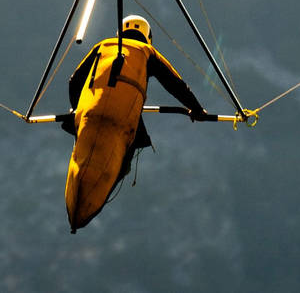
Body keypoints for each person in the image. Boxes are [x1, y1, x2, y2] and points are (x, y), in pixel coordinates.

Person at [63, 14, 206, 233]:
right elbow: (175, 84)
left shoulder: (103, 46)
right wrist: (196, 109)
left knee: (81, 145)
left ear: (120, 33)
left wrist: (75, 109)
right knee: (123, 159)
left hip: (89, 113)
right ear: (147, 37)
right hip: (121, 120)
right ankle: (96, 198)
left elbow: (74, 81)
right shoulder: (148, 52)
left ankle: (77, 201)